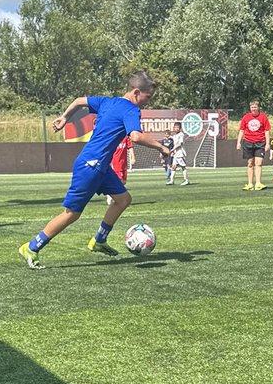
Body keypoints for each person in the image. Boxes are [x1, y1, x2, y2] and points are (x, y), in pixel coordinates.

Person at [17, 71, 169, 268]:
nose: (148, 102)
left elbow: (79, 101)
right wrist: (161, 147)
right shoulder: (131, 109)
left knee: (123, 199)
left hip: (100, 166)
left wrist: (64, 117)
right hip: (90, 167)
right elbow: (136, 136)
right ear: (136, 92)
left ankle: (99, 240)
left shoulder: (107, 102)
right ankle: (31, 247)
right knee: (71, 213)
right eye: (148, 97)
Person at [237, 100, 271, 190]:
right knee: (250, 163)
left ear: (258, 107)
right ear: (250, 108)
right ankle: (250, 184)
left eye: (255, 107)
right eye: (252, 107)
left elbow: (267, 131)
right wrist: (238, 142)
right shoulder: (246, 117)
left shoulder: (263, 117)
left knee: (258, 163)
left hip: (260, 143)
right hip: (248, 142)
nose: (254, 109)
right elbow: (241, 130)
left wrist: (267, 143)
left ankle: (258, 183)